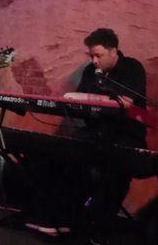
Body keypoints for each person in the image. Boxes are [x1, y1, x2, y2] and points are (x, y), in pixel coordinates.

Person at [64, 28, 147, 243]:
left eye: (98, 55)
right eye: (91, 56)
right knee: (64, 154)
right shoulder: (90, 72)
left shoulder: (132, 68)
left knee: (116, 167)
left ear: (114, 51)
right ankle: (68, 219)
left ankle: (100, 228)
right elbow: (79, 100)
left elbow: (128, 103)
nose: (94, 61)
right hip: (96, 133)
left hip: (126, 135)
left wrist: (101, 99)